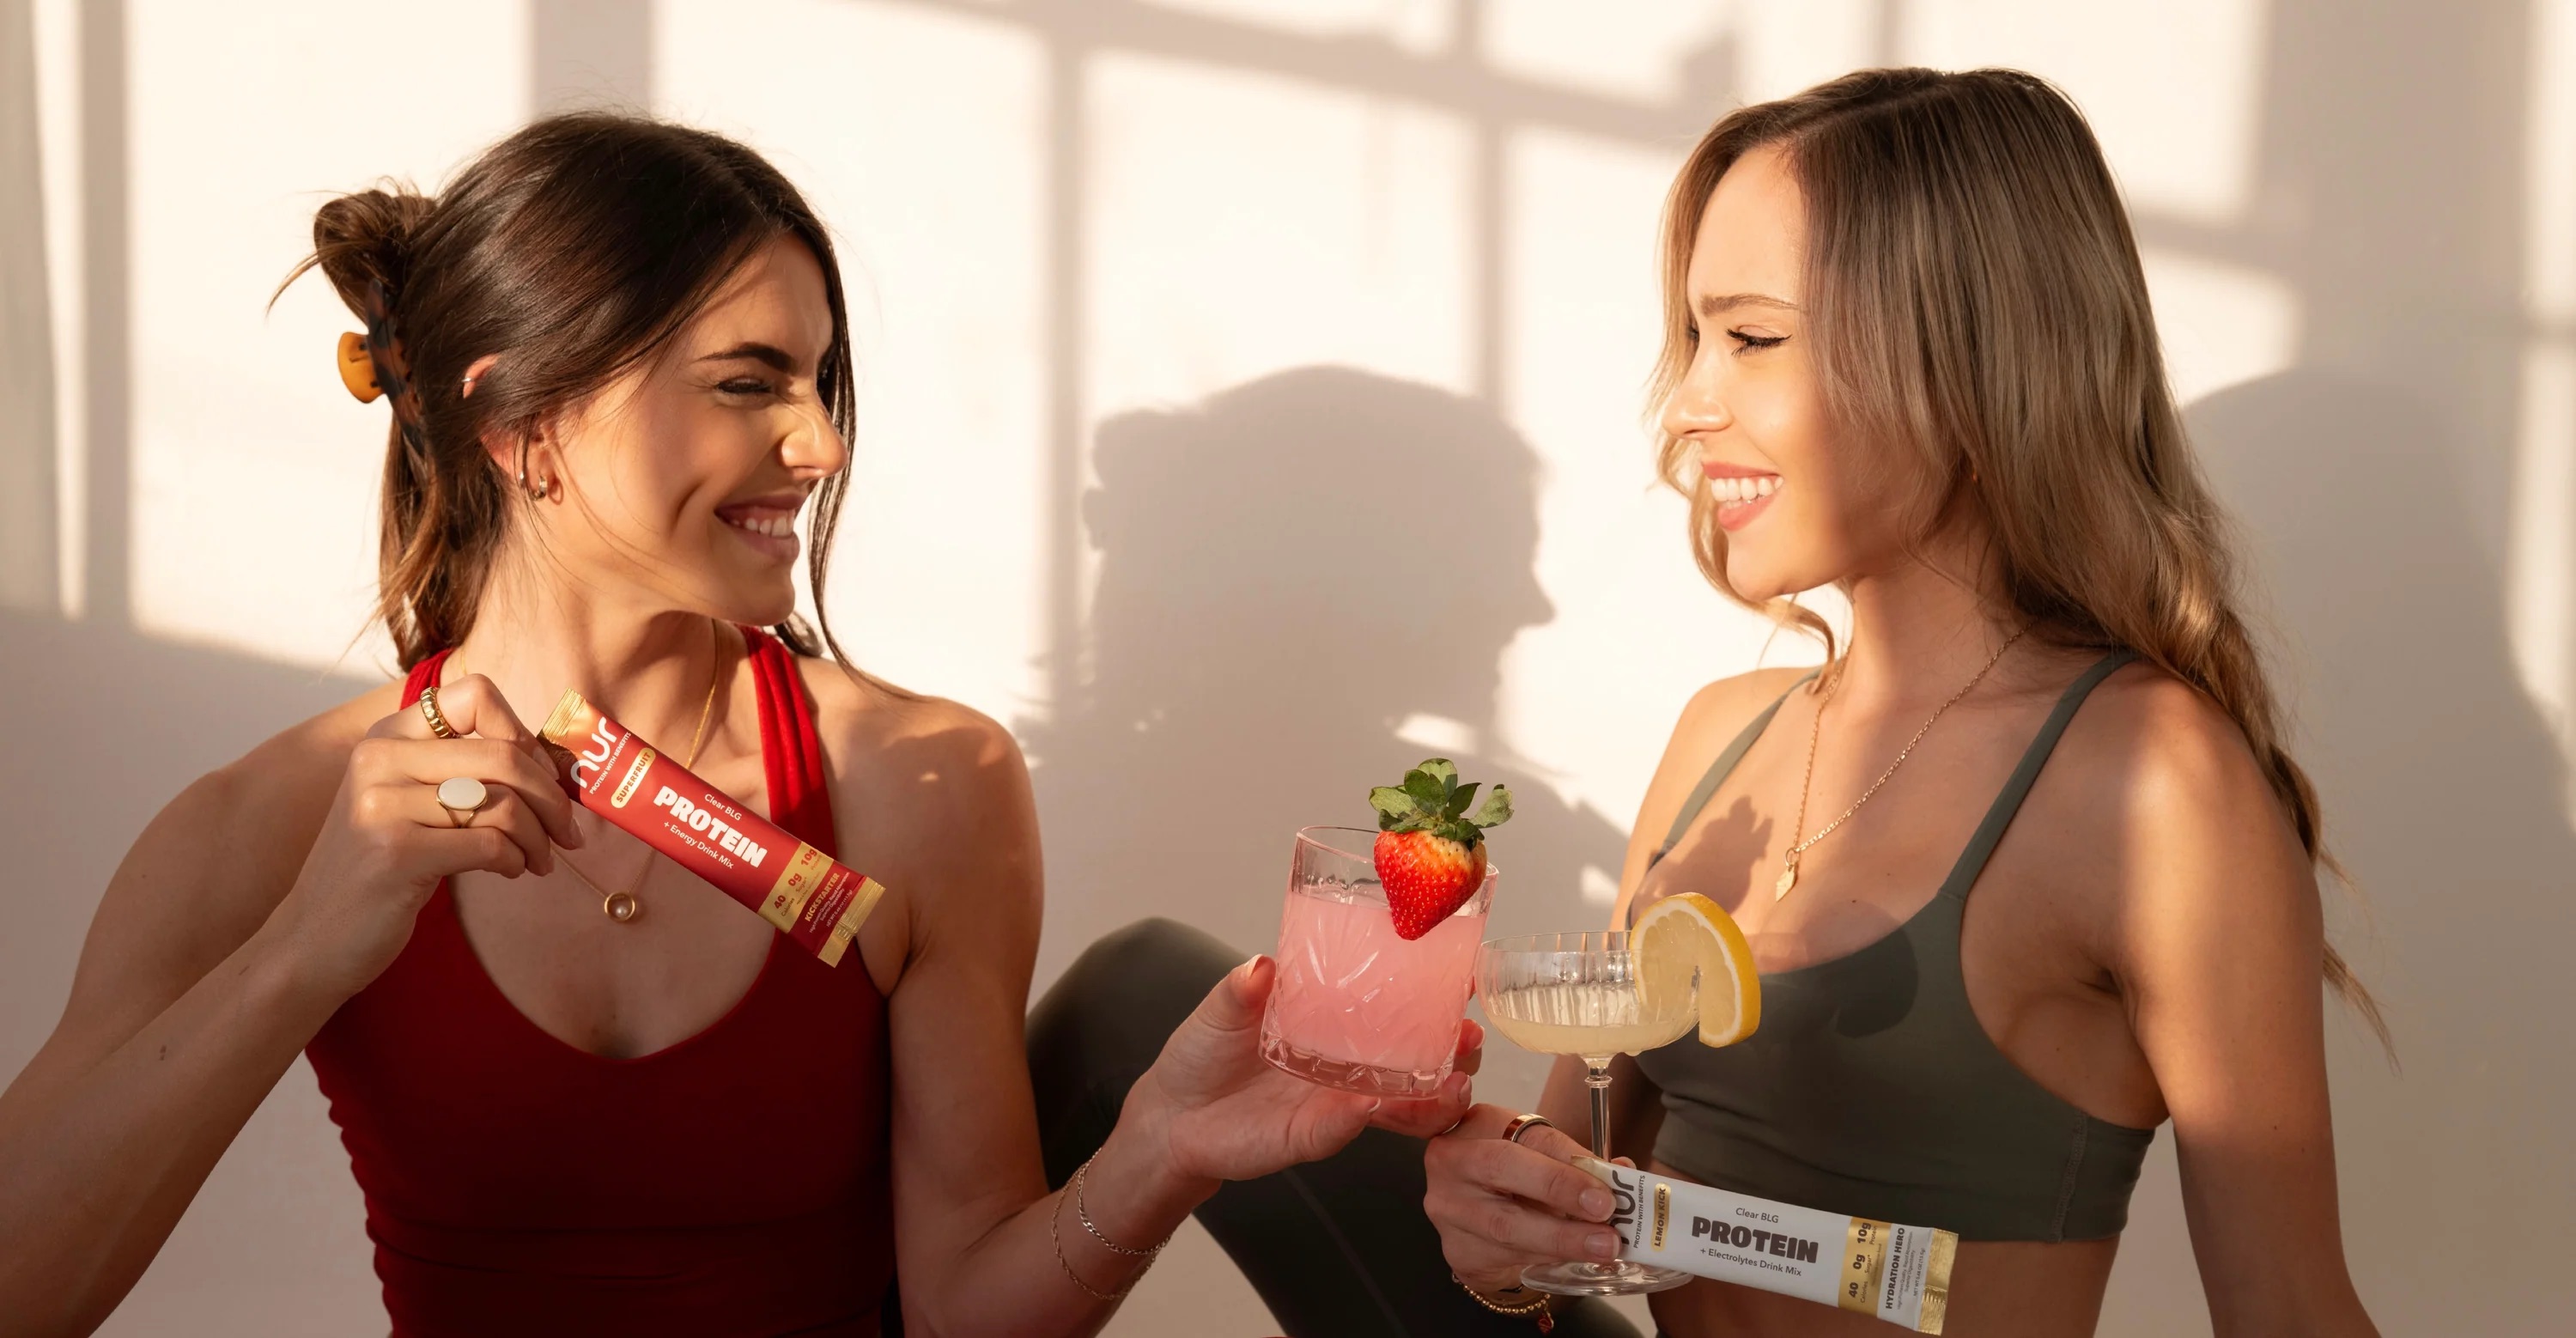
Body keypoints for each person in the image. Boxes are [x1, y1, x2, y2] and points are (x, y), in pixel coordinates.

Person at [0, 113, 1479, 1337]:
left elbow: (965, 1304)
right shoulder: (268, 825)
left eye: (819, 380)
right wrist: (306, 949)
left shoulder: (925, 783)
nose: (821, 444)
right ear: (523, 427)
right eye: (746, 384)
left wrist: (1158, 1152)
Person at [1423, 69, 2386, 1337]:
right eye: (1695, 339)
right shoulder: (1723, 734)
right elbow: (1577, 1202)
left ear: (1965, 361)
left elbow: (2292, 1311)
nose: (1691, 402)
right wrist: (1501, 1230)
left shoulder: (2154, 783)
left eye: (1753, 339)